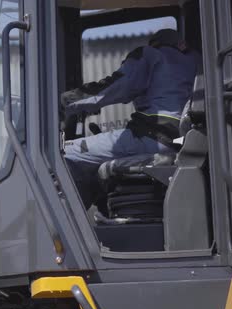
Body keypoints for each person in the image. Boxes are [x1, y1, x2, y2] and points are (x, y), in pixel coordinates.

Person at [60, 29, 201, 208]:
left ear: (156, 44)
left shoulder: (151, 55)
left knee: (64, 153)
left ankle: (72, 228)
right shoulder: (197, 61)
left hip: (151, 137)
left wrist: (66, 102)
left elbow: (114, 87)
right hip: (182, 141)